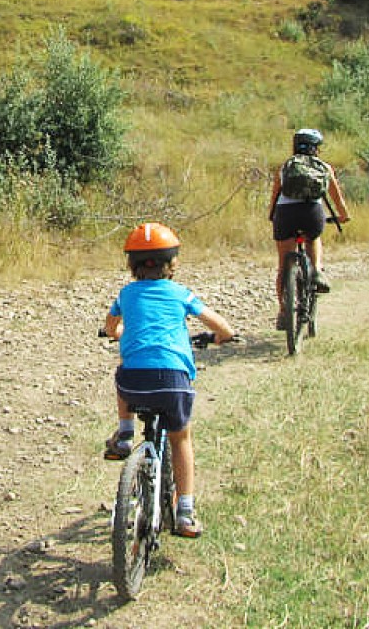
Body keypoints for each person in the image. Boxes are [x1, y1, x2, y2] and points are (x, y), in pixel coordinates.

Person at [100, 222, 236, 539]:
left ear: (131, 265)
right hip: (172, 382)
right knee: (180, 439)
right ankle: (185, 511)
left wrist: (119, 333)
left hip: (134, 383)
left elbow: (111, 328)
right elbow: (221, 326)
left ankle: (124, 433)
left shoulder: (126, 294)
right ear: (172, 262)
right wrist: (221, 337)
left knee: (123, 371)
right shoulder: (180, 293)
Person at [267, 128, 351, 332]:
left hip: (285, 214)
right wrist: (343, 216)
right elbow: (336, 199)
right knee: (313, 238)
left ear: (295, 146)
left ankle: (284, 312)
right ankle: (316, 270)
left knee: (282, 265)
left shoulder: (285, 167)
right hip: (311, 212)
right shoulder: (324, 167)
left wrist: (273, 216)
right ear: (316, 149)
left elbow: (275, 196)